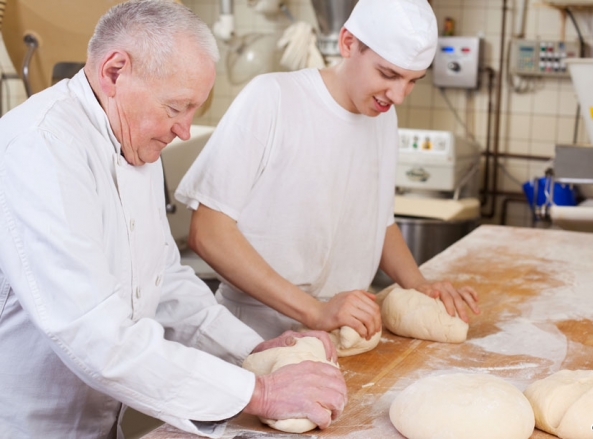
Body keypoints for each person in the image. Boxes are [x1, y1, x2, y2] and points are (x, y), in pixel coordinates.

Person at [0, 1, 346, 438]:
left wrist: (252, 348)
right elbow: (95, 336)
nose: (184, 130)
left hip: (104, 425)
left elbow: (162, 280)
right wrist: (259, 393)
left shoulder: (134, 139)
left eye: (193, 112)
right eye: (175, 108)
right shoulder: (40, 148)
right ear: (114, 71)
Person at [175, 0, 481, 342]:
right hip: (252, 334)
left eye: (412, 81)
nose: (398, 95)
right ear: (348, 43)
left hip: (343, 332)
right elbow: (207, 232)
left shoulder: (383, 117)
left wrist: (420, 285)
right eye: (388, 74)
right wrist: (314, 311)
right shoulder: (273, 98)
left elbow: (379, 221)